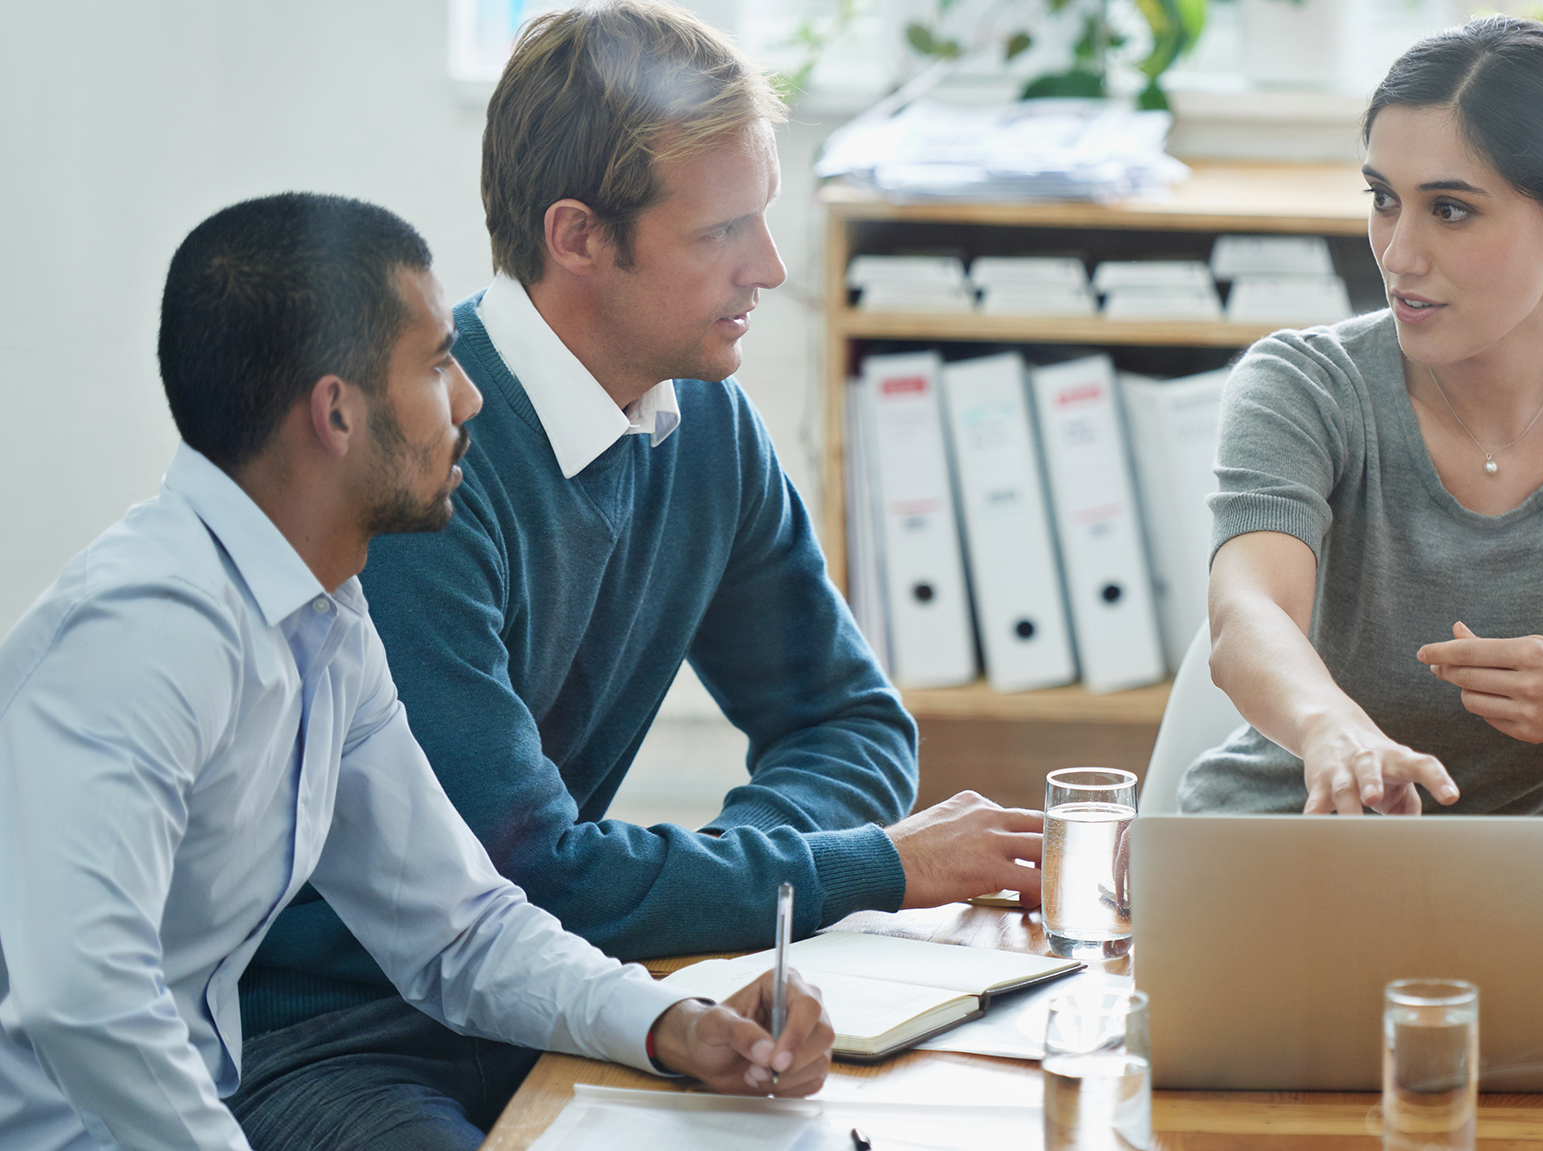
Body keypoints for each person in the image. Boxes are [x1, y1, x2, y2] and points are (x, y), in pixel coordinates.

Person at [229, 4, 1043, 1148]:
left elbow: (847, 722)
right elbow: (529, 873)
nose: (768, 265)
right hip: (340, 1038)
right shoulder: (420, 461)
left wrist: (745, 909)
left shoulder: (705, 421)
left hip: (583, 996)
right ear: (578, 237)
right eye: (725, 230)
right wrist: (857, 867)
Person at [0, 192, 836, 1151]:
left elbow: (457, 926)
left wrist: (667, 1023)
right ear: (337, 413)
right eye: (439, 366)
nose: (471, 398)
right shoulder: (144, 628)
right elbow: (81, 1000)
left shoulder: (325, 617)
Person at [1178, 15, 1543, 830]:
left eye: (1450, 210)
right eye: (1384, 199)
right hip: (1284, 848)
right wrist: (1333, 728)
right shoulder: (1304, 382)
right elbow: (1249, 614)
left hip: (1529, 896)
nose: (1398, 254)